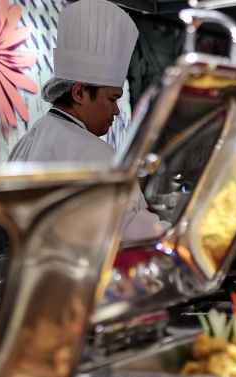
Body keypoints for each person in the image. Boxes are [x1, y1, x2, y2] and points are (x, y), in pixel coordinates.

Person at [9, 0, 164, 244]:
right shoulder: (96, 154)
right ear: (80, 93)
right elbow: (132, 232)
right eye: (112, 99)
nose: (115, 111)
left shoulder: (29, 140)